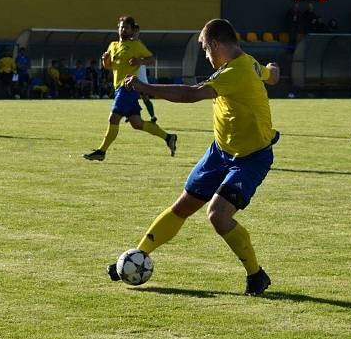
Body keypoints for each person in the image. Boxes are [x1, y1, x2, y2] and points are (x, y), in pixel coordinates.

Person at [107, 18, 281, 295]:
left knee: (218, 215)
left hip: (250, 157)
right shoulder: (247, 64)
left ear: (215, 44)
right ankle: (136, 257)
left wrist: (145, 88)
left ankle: (256, 275)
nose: (205, 55)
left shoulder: (235, 71)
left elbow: (191, 94)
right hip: (220, 152)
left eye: (205, 49)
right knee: (183, 207)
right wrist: (273, 71)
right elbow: (270, 75)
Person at [83, 15, 177, 161]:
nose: (123, 30)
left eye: (126, 27)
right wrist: (104, 60)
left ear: (132, 30)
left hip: (127, 87)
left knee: (113, 118)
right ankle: (169, 137)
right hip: (119, 88)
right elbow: (109, 67)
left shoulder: (136, 45)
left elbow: (151, 60)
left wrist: (140, 60)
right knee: (137, 123)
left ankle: (101, 151)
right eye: (121, 27)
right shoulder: (113, 45)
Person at [132, 22, 157, 121]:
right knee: (129, 95)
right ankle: (130, 115)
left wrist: (140, 61)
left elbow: (149, 58)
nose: (135, 33)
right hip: (130, 72)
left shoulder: (140, 44)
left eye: (137, 32)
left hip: (140, 72)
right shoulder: (126, 43)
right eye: (134, 31)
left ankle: (153, 116)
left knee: (144, 96)